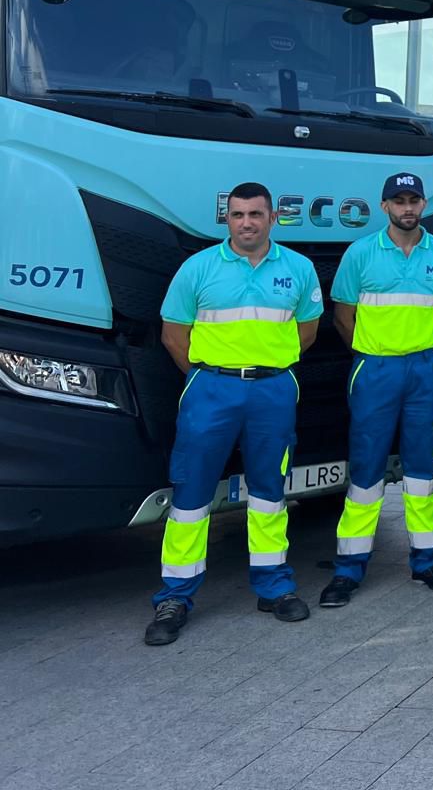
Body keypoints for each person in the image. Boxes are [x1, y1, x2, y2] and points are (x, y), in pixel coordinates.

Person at [142, 182, 322, 645]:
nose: (247, 222)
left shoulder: (299, 269)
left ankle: (273, 584)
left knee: (269, 489)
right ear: (226, 219)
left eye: (256, 214)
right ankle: (175, 595)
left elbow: (307, 332)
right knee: (191, 492)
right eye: (238, 215)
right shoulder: (198, 268)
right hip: (211, 389)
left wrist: (264, 368)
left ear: (272, 218)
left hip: (273, 390)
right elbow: (173, 335)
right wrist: (210, 377)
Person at [321, 173, 433, 606]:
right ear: (384, 207)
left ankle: (425, 559)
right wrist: (373, 352)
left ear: (424, 204)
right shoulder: (361, 253)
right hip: (375, 369)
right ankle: (348, 568)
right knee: (366, 469)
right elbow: (343, 314)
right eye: (398, 200)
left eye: (414, 199)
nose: (407, 207)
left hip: (424, 370)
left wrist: (414, 349)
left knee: (422, 470)